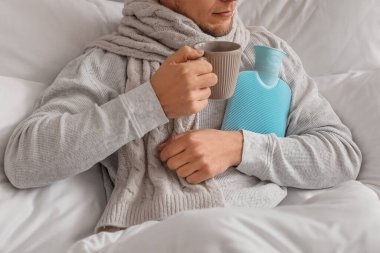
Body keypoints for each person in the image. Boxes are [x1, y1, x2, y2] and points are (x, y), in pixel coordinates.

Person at [4, 0, 361, 234]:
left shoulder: (267, 52)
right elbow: (24, 162)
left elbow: (341, 155)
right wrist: (150, 102)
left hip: (265, 228)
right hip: (162, 234)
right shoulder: (111, 61)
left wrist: (240, 148)